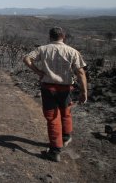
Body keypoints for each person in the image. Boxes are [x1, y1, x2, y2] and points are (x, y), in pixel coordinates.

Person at [23, 27, 88, 162]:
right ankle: (66, 137)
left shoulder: (43, 49)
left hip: (48, 88)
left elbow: (27, 59)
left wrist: (38, 72)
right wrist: (84, 92)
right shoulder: (72, 51)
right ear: (63, 36)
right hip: (65, 89)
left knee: (53, 118)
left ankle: (55, 151)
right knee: (65, 112)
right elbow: (81, 73)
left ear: (50, 36)